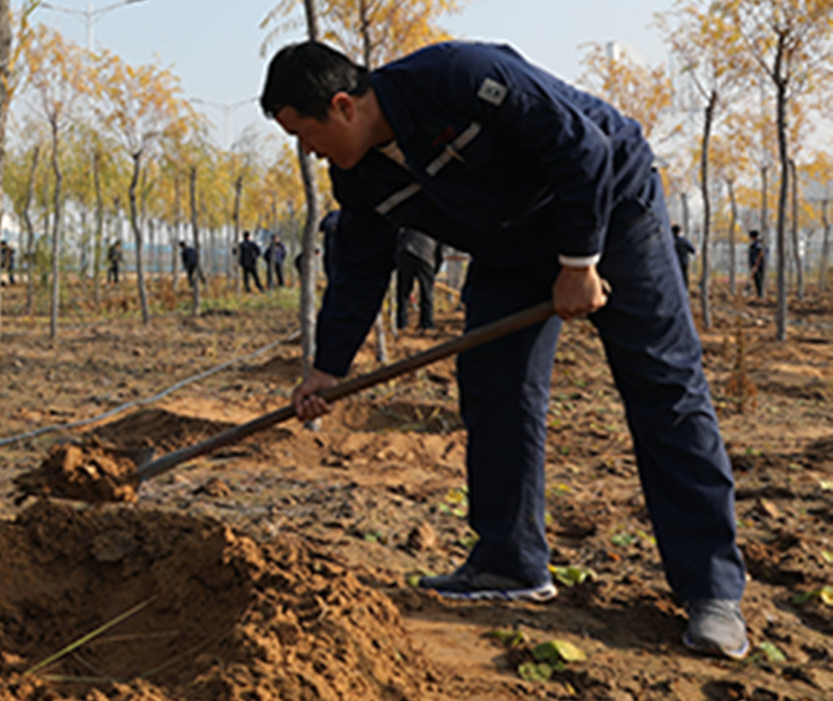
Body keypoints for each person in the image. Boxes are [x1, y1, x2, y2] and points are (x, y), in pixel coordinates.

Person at [261, 39, 748, 659]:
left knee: (665, 389)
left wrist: (579, 261)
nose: (304, 150)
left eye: (302, 132)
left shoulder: (457, 78)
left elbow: (584, 146)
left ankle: (712, 591)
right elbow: (358, 271)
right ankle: (510, 561)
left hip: (612, 212)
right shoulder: (358, 179)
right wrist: (326, 369)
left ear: (342, 106)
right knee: (495, 387)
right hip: (511, 248)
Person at [395, 228, 441, 331]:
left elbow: (399, 238)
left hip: (406, 253)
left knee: (403, 292)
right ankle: (427, 324)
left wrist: (397, 258)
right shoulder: (437, 226)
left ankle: (401, 323)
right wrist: (435, 271)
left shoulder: (412, 220)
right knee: (426, 292)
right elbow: (440, 252)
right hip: (426, 256)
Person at [747, 229, 766, 299]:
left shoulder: (758, 244)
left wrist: (756, 266)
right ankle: (759, 295)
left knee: (758, 281)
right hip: (755, 265)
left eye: (750, 236)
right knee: (756, 280)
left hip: (758, 265)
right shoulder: (753, 244)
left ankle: (760, 296)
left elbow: (760, 253)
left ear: (752, 236)